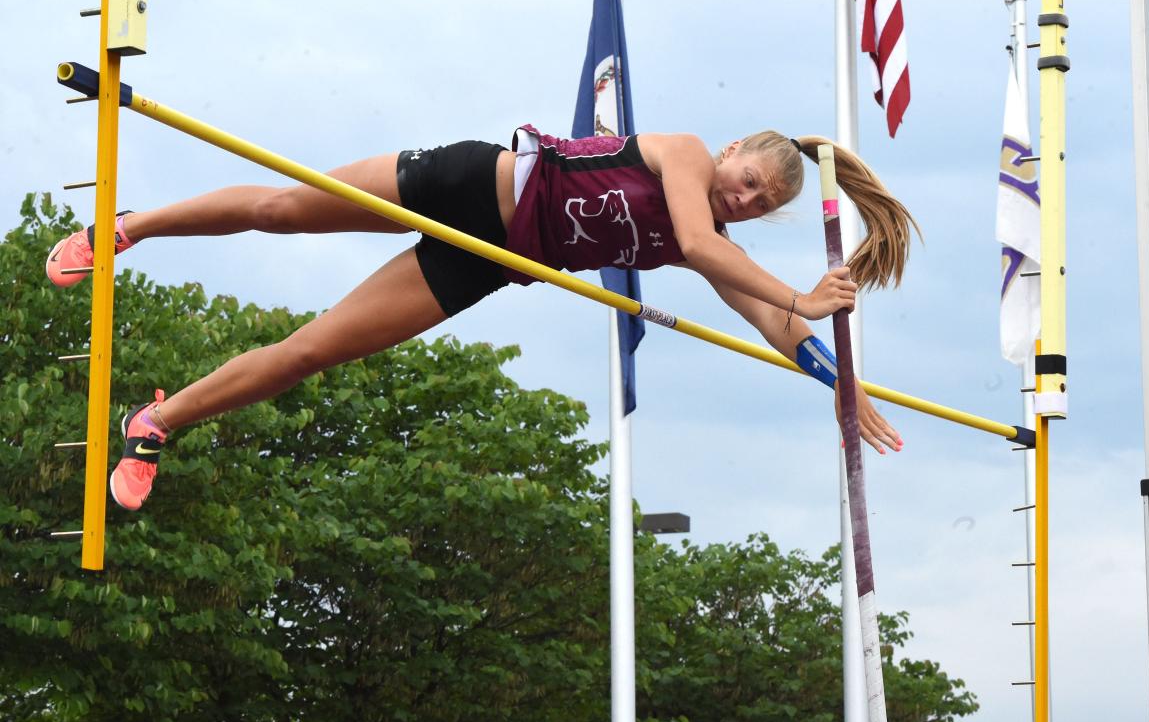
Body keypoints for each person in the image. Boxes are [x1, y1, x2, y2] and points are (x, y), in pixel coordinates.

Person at [45, 126, 919, 511]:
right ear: (732, 153)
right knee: (283, 208)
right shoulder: (688, 160)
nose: (745, 195)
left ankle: (156, 421)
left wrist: (840, 382)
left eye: (759, 202)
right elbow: (710, 242)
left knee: (309, 352)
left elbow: (770, 317)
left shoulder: (717, 243)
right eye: (750, 178)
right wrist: (803, 293)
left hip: (488, 261)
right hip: (470, 182)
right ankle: (131, 226)